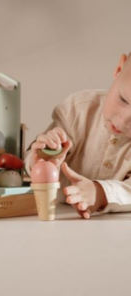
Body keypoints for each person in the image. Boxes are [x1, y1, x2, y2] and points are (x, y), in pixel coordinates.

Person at [25, 53, 131, 219]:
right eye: (123, 99)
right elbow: (32, 157)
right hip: (55, 216)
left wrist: (100, 193)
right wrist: (37, 161)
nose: (124, 120)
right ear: (119, 69)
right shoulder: (78, 110)